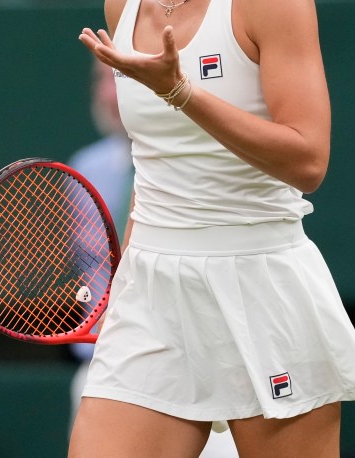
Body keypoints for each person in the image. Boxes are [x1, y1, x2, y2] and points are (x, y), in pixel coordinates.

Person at [70, 0, 355, 458]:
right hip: (153, 297)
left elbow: (307, 160)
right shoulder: (122, 0)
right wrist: (125, 276)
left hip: (261, 289)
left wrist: (181, 92)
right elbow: (155, 162)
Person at [66, 59, 241, 457]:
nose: (110, 96)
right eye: (100, 81)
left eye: (120, 79)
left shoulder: (212, 162)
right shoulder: (84, 169)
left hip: (202, 374)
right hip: (103, 372)